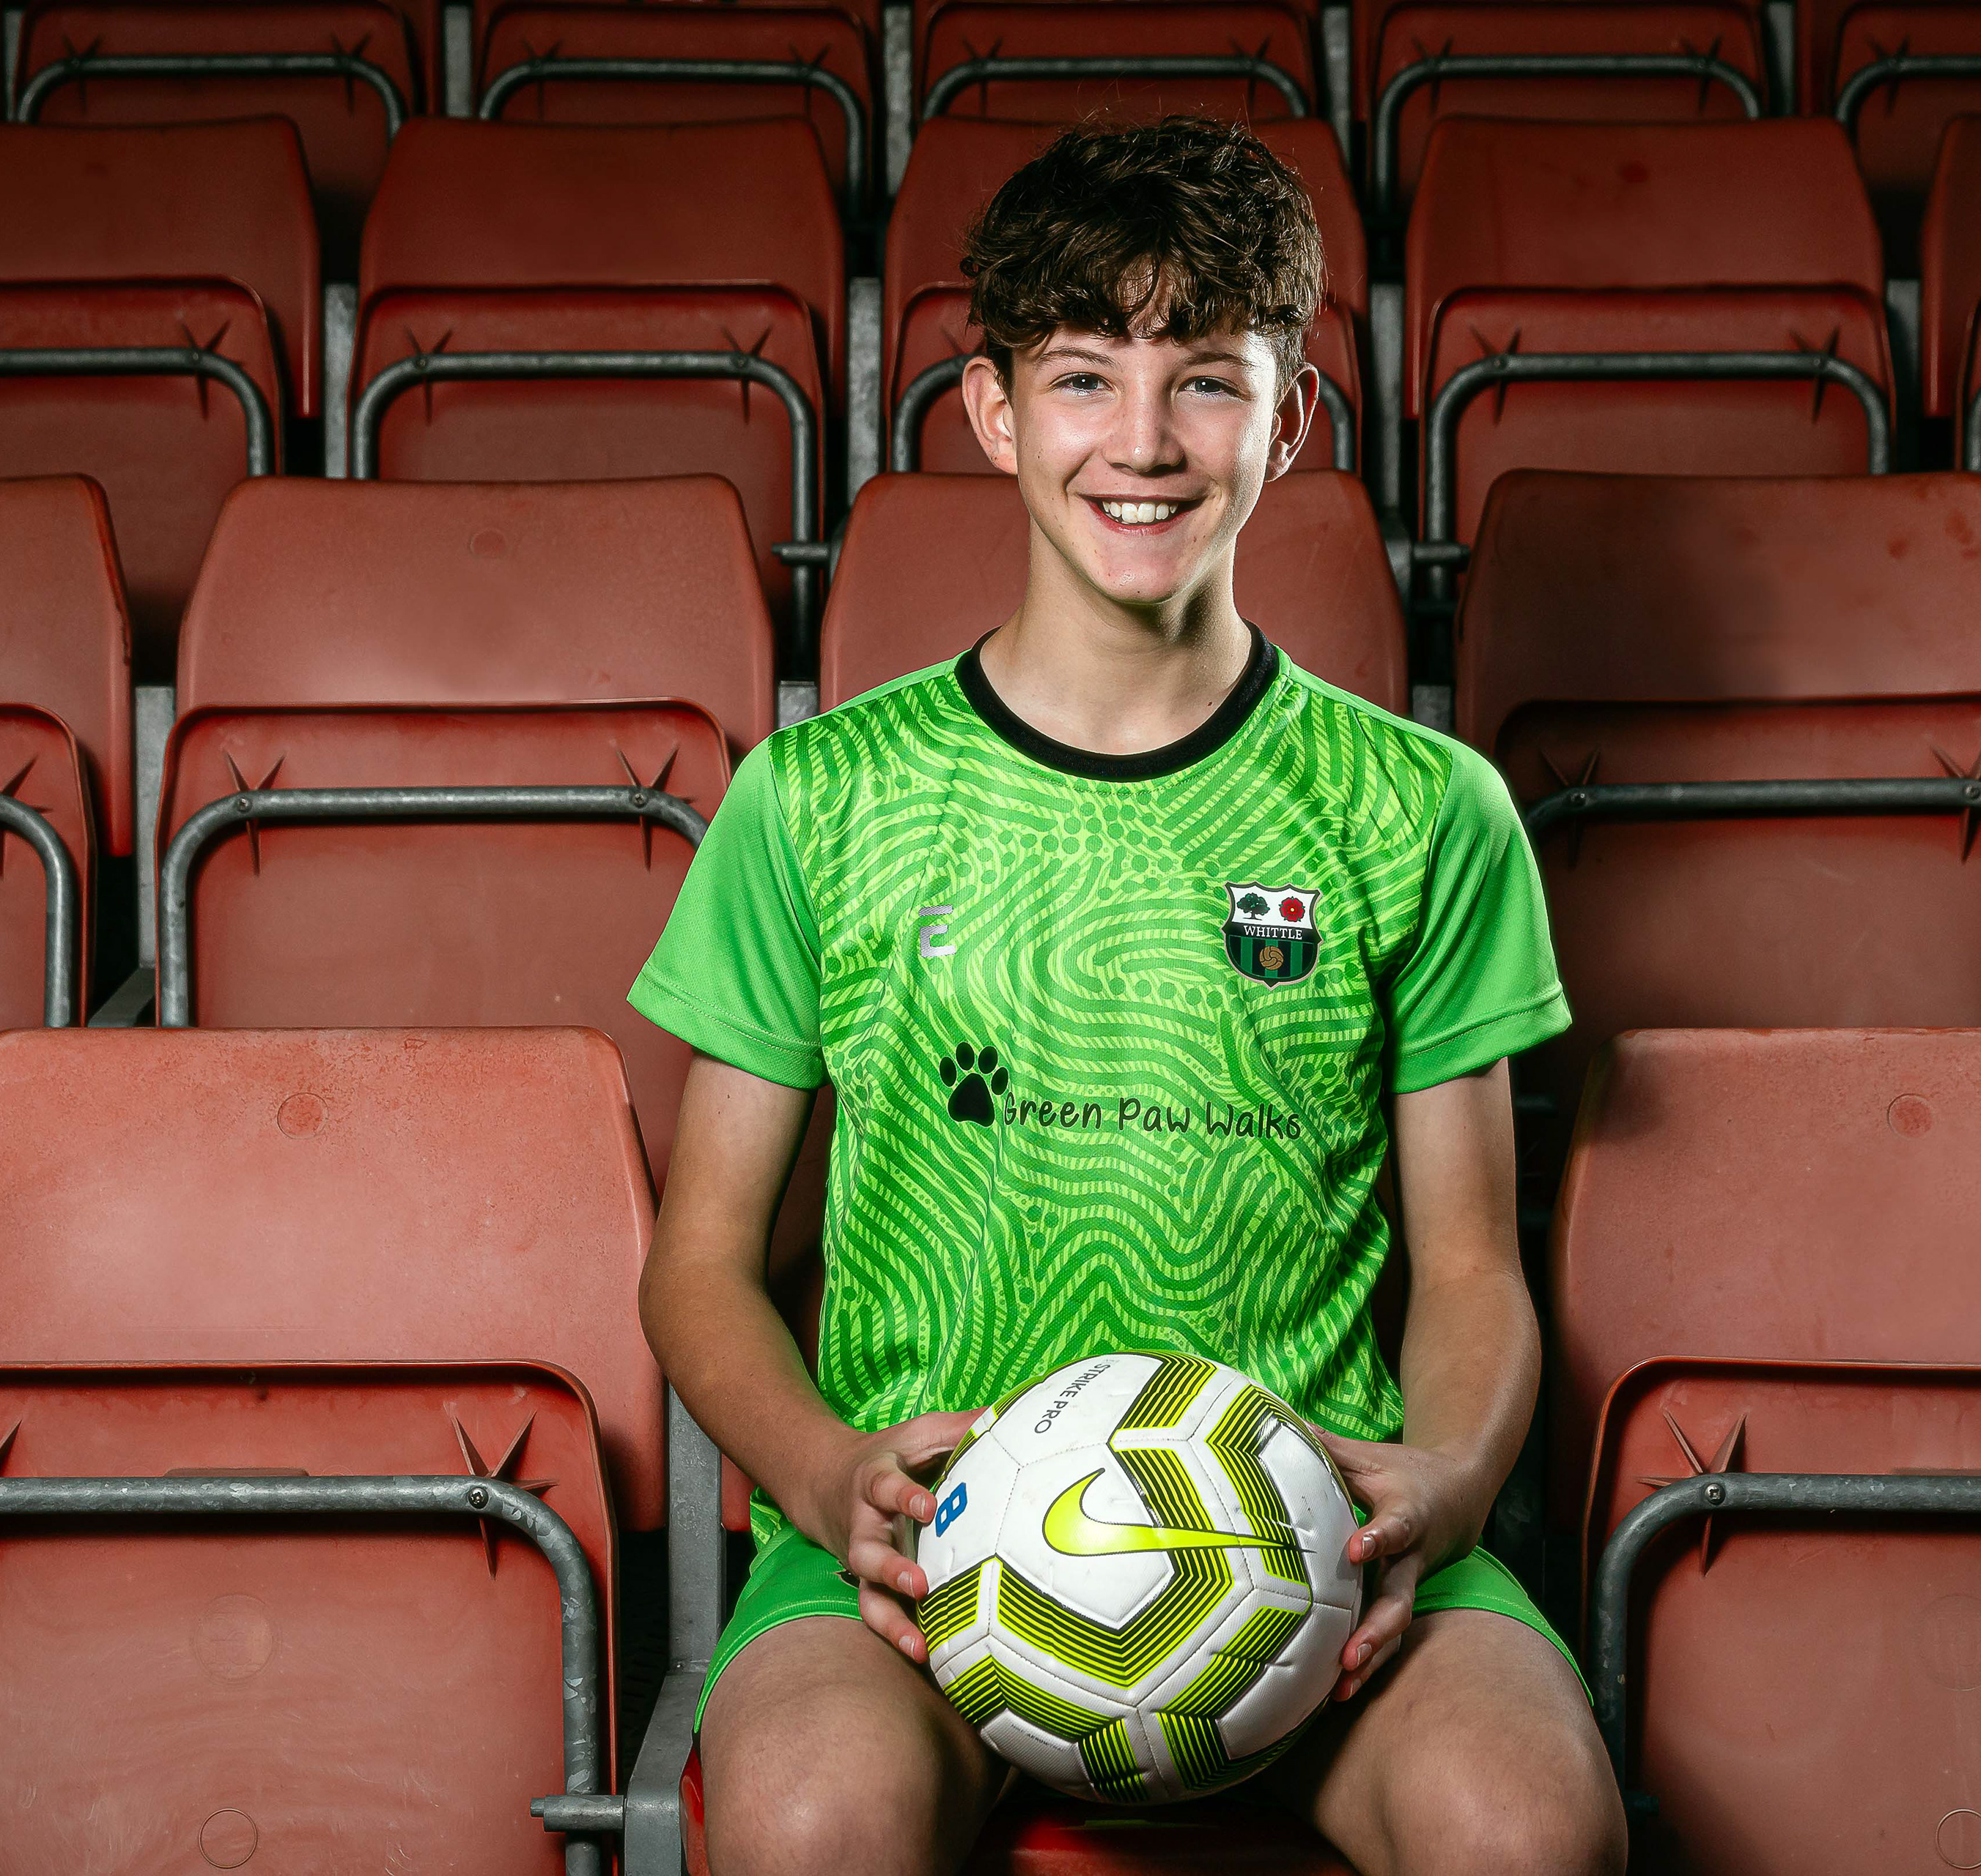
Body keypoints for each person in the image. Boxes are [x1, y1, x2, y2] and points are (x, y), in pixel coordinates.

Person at [630, 116, 1623, 1876]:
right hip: (936, 1563)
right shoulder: (818, 797)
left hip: (1309, 1536)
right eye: (1085, 379)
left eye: (1208, 383)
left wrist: (1446, 1485)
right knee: (806, 1825)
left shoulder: (1421, 808)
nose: (1146, 444)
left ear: (1292, 416)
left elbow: (1472, 1264)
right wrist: (818, 1468)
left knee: (1528, 1829)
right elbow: (700, 1259)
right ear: (996, 412)